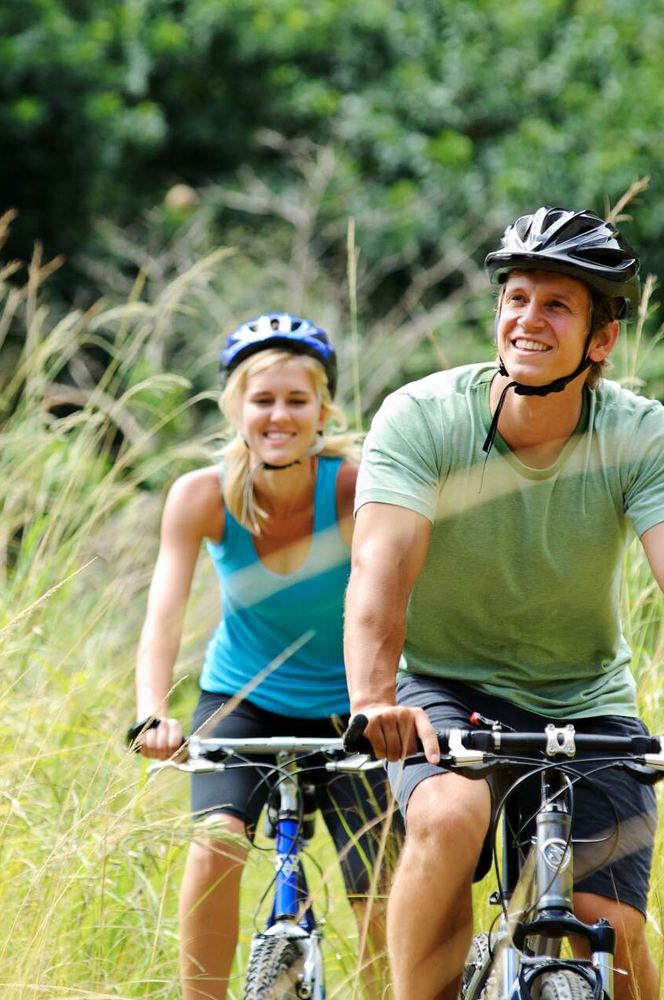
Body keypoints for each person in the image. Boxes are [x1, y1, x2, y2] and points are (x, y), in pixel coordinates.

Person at [344, 206, 664, 1000]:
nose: (527, 318)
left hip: (587, 701)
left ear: (601, 340)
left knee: (614, 931)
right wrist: (374, 700)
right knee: (449, 818)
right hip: (451, 688)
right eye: (515, 297)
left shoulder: (640, 434)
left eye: (557, 304)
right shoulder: (423, 419)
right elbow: (380, 573)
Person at [131, 313, 394, 1000]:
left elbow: (401, 597)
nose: (279, 415)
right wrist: (151, 715)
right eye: (263, 399)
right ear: (236, 408)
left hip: (351, 706)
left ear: (322, 410)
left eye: (296, 400)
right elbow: (163, 615)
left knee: (380, 885)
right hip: (242, 700)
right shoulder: (201, 494)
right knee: (217, 842)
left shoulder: (355, 489)